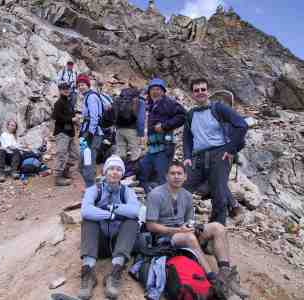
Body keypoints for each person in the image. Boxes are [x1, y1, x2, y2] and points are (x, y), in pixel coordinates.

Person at [145, 161, 249, 299]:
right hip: (165, 236)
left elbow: (189, 220)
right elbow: (150, 225)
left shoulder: (187, 195)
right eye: (172, 173)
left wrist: (193, 226)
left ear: (185, 177)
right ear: (166, 176)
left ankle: (225, 274)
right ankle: (213, 280)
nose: (176, 176)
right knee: (189, 237)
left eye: (179, 173)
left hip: (184, 232)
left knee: (218, 227)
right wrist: (176, 230)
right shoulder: (156, 194)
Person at [183, 78, 248, 225]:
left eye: (203, 89)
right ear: (192, 94)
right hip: (198, 156)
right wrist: (187, 156)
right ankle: (183, 221)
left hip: (219, 153)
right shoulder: (191, 114)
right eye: (196, 90)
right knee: (184, 186)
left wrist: (230, 149)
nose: (200, 92)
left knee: (218, 192)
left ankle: (217, 228)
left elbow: (242, 125)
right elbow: (187, 136)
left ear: (208, 91)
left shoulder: (218, 108)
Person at [79, 155, 140, 300]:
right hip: (99, 245)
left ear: (122, 173)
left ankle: (115, 272)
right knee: (89, 220)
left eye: (119, 169)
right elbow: (85, 210)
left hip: (118, 244)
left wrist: (113, 208)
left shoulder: (127, 191)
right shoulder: (95, 189)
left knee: (132, 221)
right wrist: (110, 215)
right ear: (105, 172)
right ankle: (88, 272)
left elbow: (136, 211)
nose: (114, 172)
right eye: (111, 169)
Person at [137, 78, 186, 193]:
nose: (155, 91)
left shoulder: (169, 103)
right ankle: (151, 195)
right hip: (152, 147)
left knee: (162, 176)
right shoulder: (151, 104)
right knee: (143, 172)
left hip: (165, 147)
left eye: (158, 89)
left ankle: (167, 203)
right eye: (152, 89)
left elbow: (183, 116)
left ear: (163, 91)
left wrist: (165, 126)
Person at [77, 74, 104, 188]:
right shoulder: (87, 97)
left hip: (92, 134)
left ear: (88, 85)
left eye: (83, 84)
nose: (80, 87)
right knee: (82, 163)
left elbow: (94, 117)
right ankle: (92, 186)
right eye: (78, 85)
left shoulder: (91, 97)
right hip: (85, 134)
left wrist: (90, 132)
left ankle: (91, 189)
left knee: (88, 162)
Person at [52, 82, 79, 186]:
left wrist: (75, 121)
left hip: (70, 132)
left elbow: (71, 117)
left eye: (67, 88)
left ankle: (65, 171)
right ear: (60, 90)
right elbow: (56, 117)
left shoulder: (69, 102)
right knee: (61, 154)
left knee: (75, 154)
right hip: (62, 132)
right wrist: (71, 119)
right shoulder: (58, 103)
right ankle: (58, 177)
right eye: (63, 89)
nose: (66, 90)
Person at [114, 87, 145, 176]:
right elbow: (141, 119)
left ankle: (120, 173)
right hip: (132, 130)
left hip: (119, 129)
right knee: (135, 153)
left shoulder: (119, 99)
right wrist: (141, 134)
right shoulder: (140, 102)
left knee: (120, 152)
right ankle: (133, 174)